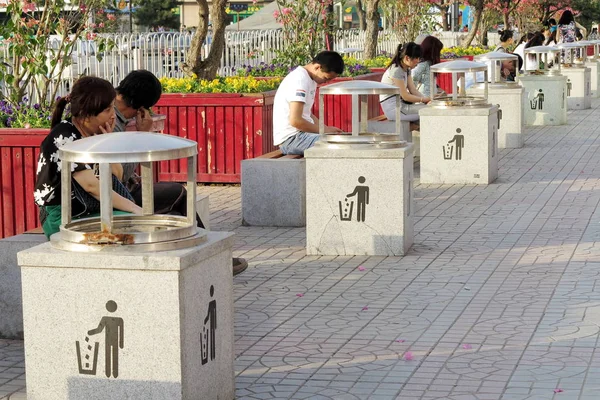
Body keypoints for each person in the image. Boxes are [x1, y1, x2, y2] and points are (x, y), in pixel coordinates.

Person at [113, 70, 248, 276]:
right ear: (140, 106)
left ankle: (207, 260)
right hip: (118, 195)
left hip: (119, 190)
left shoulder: (112, 109)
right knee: (178, 193)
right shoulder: (112, 122)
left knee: (177, 210)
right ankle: (213, 259)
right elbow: (118, 173)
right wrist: (143, 134)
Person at [34, 76, 143, 238]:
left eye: (113, 108)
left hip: (88, 209)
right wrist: (138, 210)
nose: (113, 115)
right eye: (107, 110)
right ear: (86, 114)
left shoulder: (91, 135)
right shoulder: (65, 136)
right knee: (136, 223)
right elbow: (92, 187)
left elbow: (117, 176)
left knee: (138, 223)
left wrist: (106, 142)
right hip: (63, 216)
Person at [272, 51, 345, 156]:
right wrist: (324, 130)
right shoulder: (300, 80)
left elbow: (307, 113)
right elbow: (295, 121)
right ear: (317, 67)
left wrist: (326, 128)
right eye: (326, 78)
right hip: (292, 139)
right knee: (341, 145)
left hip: (302, 136)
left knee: (343, 140)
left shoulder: (310, 79)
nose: (326, 82)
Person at [380, 42, 430, 121]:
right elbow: (405, 96)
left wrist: (427, 100)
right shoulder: (396, 70)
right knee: (429, 112)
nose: (418, 61)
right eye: (416, 58)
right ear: (407, 58)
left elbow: (413, 90)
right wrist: (424, 100)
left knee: (430, 109)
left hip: (402, 106)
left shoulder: (406, 69)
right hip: (394, 109)